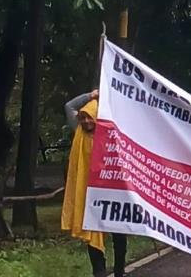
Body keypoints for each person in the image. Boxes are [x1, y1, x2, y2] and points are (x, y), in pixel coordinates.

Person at [61, 99, 128, 277]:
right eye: (83, 118)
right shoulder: (78, 132)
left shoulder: (110, 134)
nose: (86, 121)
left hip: (112, 192)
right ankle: (99, 271)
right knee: (92, 233)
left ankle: (120, 271)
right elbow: (69, 106)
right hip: (89, 193)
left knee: (119, 234)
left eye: (90, 117)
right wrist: (91, 95)